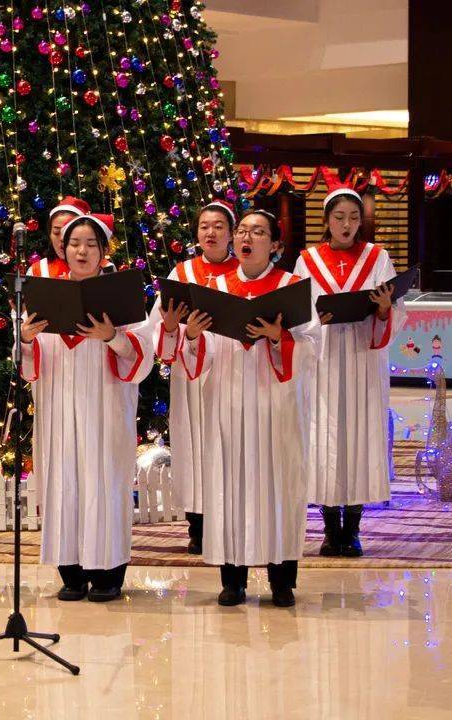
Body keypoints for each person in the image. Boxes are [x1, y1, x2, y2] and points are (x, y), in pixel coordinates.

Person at [179, 209, 319, 608]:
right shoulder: (215, 287)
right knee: (230, 487)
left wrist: (279, 337)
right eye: (242, 230)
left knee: (279, 486)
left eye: (258, 231)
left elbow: (313, 347)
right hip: (227, 403)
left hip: (276, 407)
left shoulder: (294, 288)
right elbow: (197, 358)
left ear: (275, 244)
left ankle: (281, 580)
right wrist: (191, 335)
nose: (247, 237)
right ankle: (232, 579)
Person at [19, 213, 154, 602]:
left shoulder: (121, 297)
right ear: (63, 248)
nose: (81, 250)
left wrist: (112, 336)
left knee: (104, 482)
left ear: (103, 251)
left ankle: (109, 571)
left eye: (91, 244)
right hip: (59, 406)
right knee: (63, 482)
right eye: (74, 242)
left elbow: (140, 356)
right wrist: (26, 339)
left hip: (105, 407)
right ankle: (71, 572)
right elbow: (30, 362)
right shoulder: (46, 295)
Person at [294, 188, 405, 558]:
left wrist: (386, 309)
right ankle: (329, 528)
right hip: (322, 359)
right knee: (324, 437)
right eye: (339, 217)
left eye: (353, 218)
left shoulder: (378, 257)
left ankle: (353, 528)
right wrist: (314, 319)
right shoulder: (307, 261)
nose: (346, 225)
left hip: (361, 357)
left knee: (358, 434)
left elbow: (394, 309)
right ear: (326, 220)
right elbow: (296, 310)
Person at [153, 199, 239, 554]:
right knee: (192, 445)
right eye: (204, 226)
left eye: (219, 226)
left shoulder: (244, 271)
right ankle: (197, 525)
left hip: (231, 374)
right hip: (190, 375)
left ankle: (230, 518)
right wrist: (172, 328)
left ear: (232, 233)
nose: (211, 232)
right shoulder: (181, 274)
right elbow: (159, 324)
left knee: (228, 445)